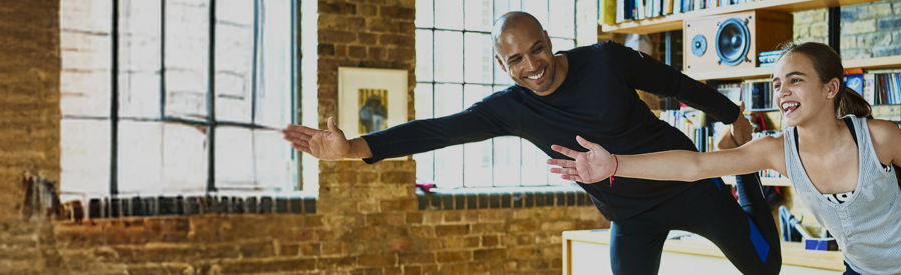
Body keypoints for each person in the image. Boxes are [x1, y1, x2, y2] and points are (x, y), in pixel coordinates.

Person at [283, 11, 781, 274]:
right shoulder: (512, 108)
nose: (532, 65)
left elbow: (677, 84)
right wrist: (352, 150)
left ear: (550, 38)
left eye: (536, 48)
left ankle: (747, 179)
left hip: (685, 182)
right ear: (503, 66)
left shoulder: (605, 60)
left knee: (766, 272)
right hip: (631, 215)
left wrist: (734, 118)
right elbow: (437, 131)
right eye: (516, 60)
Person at [547, 41, 901, 274]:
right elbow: (694, 167)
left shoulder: (877, 138)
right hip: (865, 271)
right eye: (777, 83)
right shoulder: (778, 152)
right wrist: (616, 165)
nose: (781, 91)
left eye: (794, 79)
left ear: (830, 88)